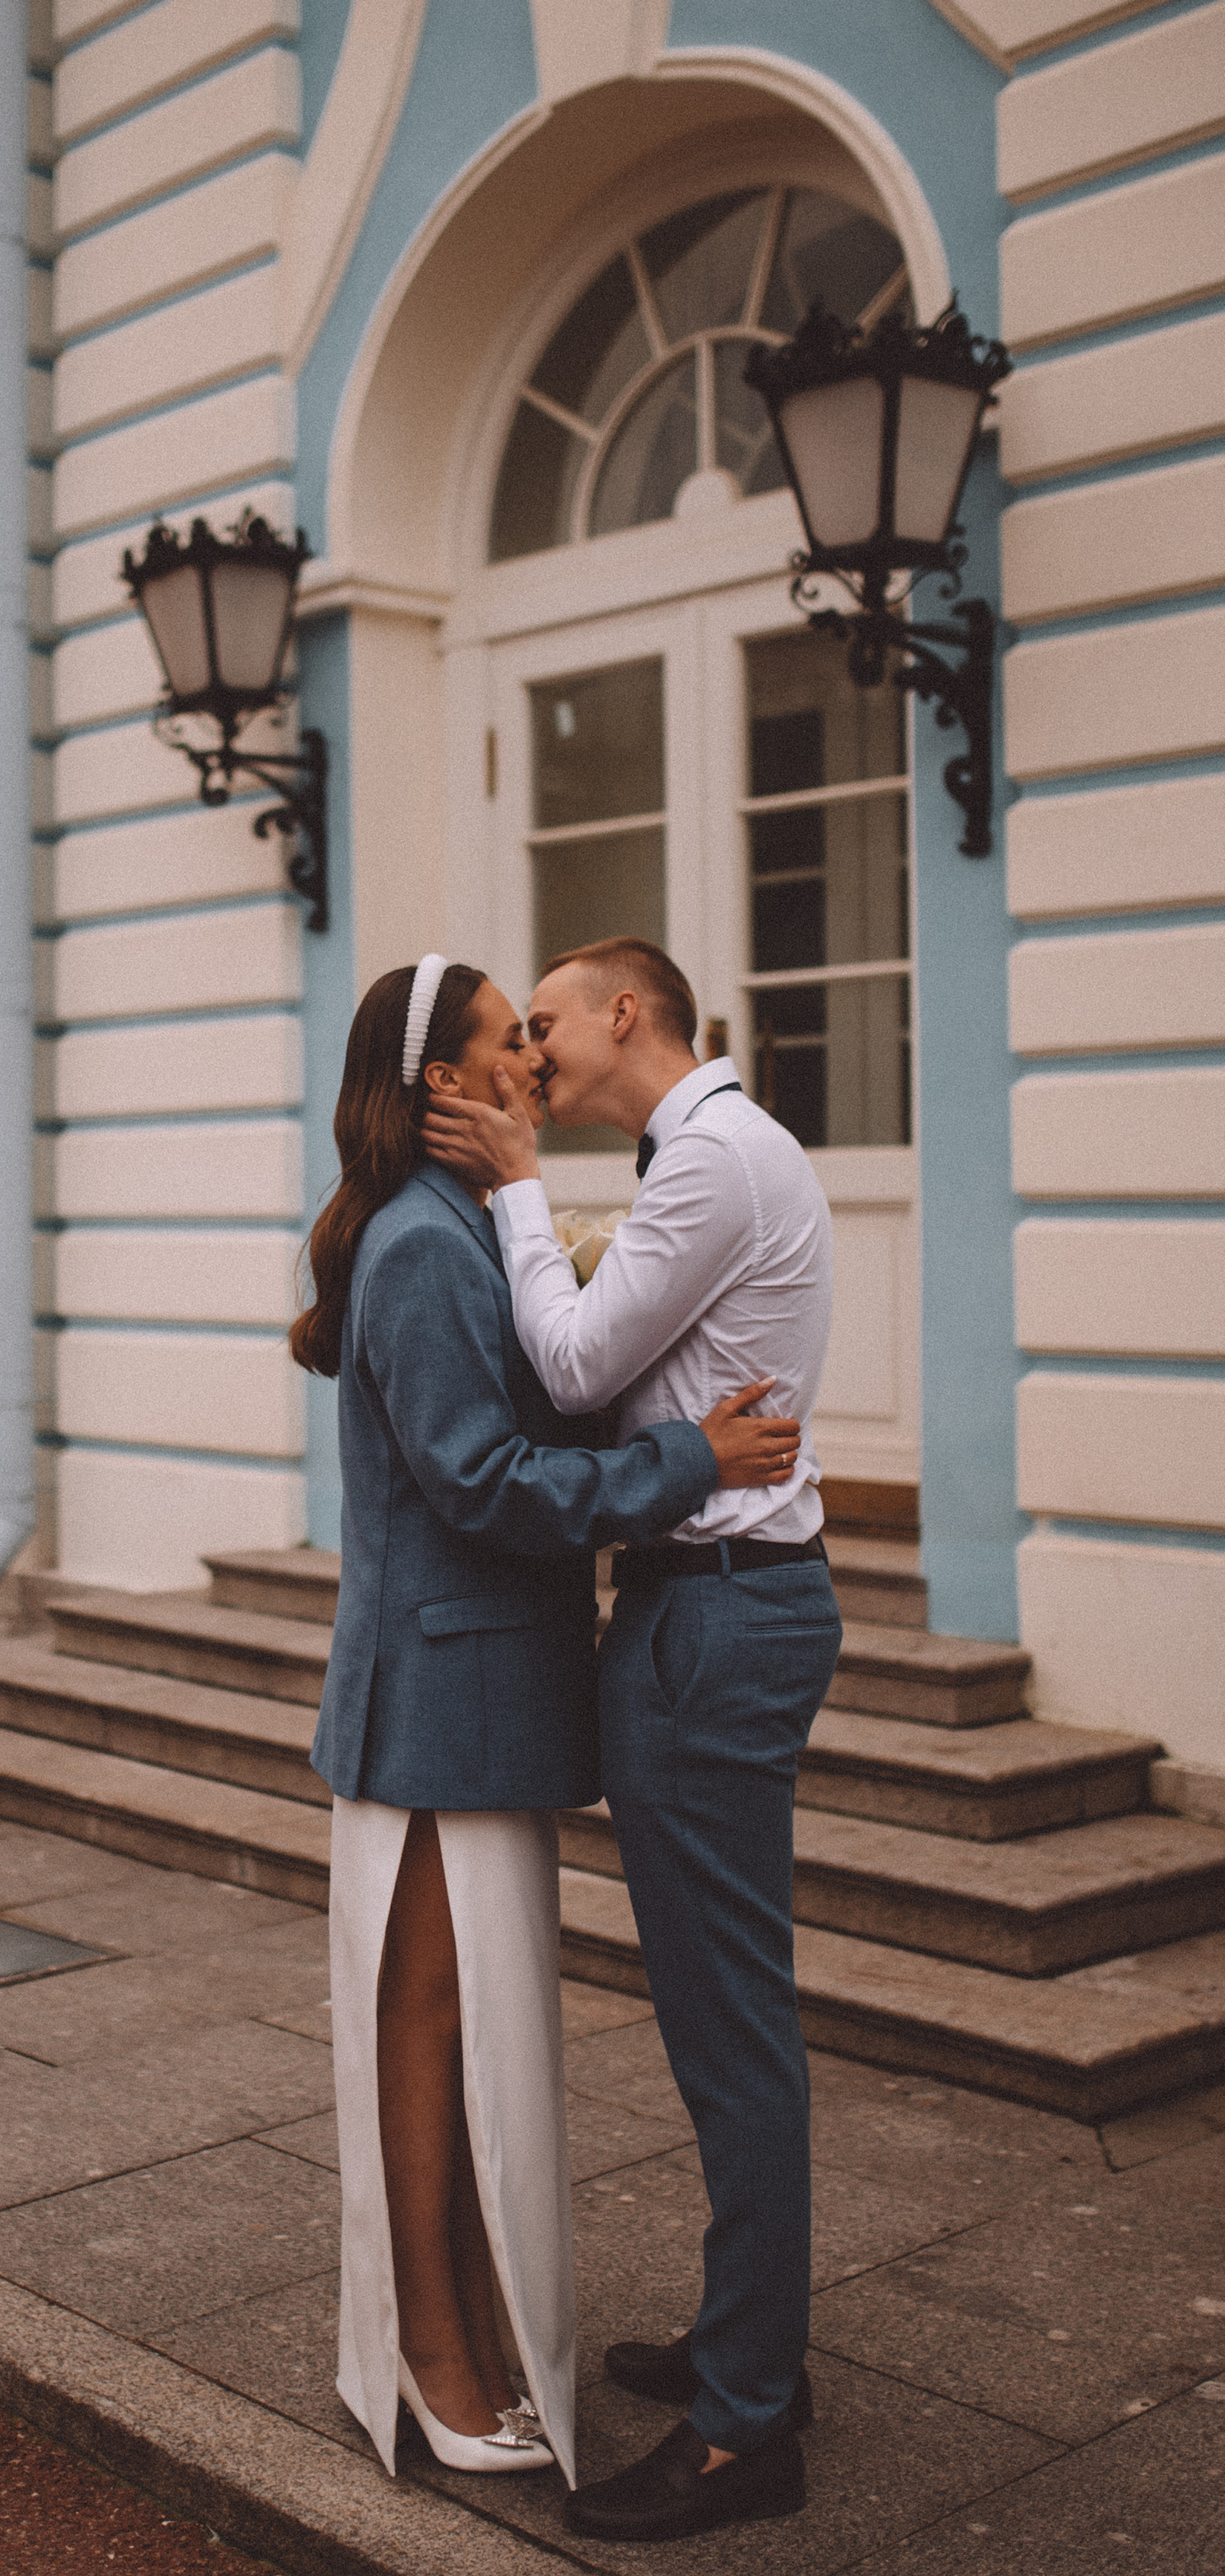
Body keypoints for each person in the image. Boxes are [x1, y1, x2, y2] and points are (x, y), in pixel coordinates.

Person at [291, 952, 804, 2489]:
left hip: (482, 1696)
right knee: (430, 2030)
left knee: (469, 2040)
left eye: (535, 1032)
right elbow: (482, 1483)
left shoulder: (454, 1230)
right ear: (442, 1085)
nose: (531, 1060)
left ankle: (462, 2334)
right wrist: (686, 1465)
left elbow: (533, 1411)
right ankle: (431, 2362)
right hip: (436, 1705)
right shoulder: (422, 1247)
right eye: (504, 1042)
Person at [423, 934, 841, 2544]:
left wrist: (520, 1187)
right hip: (709, 1601)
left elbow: (580, 1359)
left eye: (541, 1024)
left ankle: (746, 2433)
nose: (524, 1055)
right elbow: (627, 1384)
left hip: (716, 1612)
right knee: (718, 2016)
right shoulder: (708, 1158)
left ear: (623, 1016)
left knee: (727, 2030)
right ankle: (756, 2352)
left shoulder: (716, 1157)